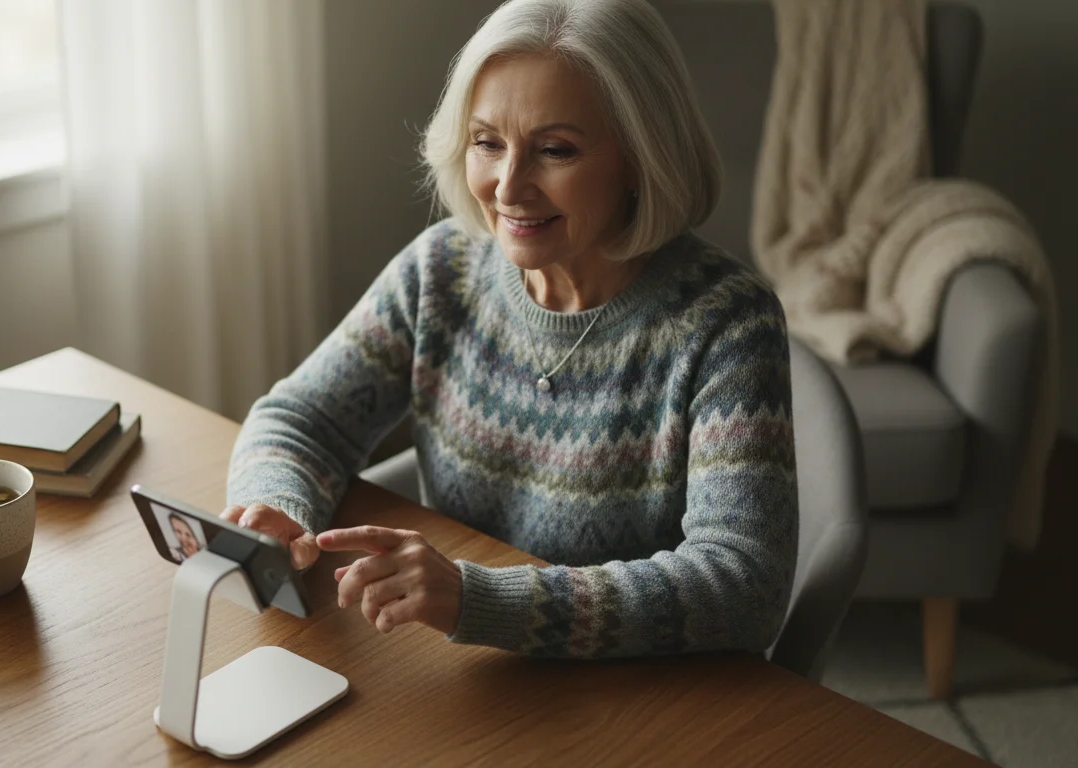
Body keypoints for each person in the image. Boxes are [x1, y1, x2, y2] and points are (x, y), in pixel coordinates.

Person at [223, 0, 798, 658]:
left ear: (642, 156)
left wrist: (480, 600)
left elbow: (743, 587)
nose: (507, 186)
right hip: (464, 672)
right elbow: (300, 419)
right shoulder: (441, 270)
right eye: (487, 142)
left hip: (641, 700)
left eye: (555, 150)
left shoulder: (727, 323)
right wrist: (277, 506)